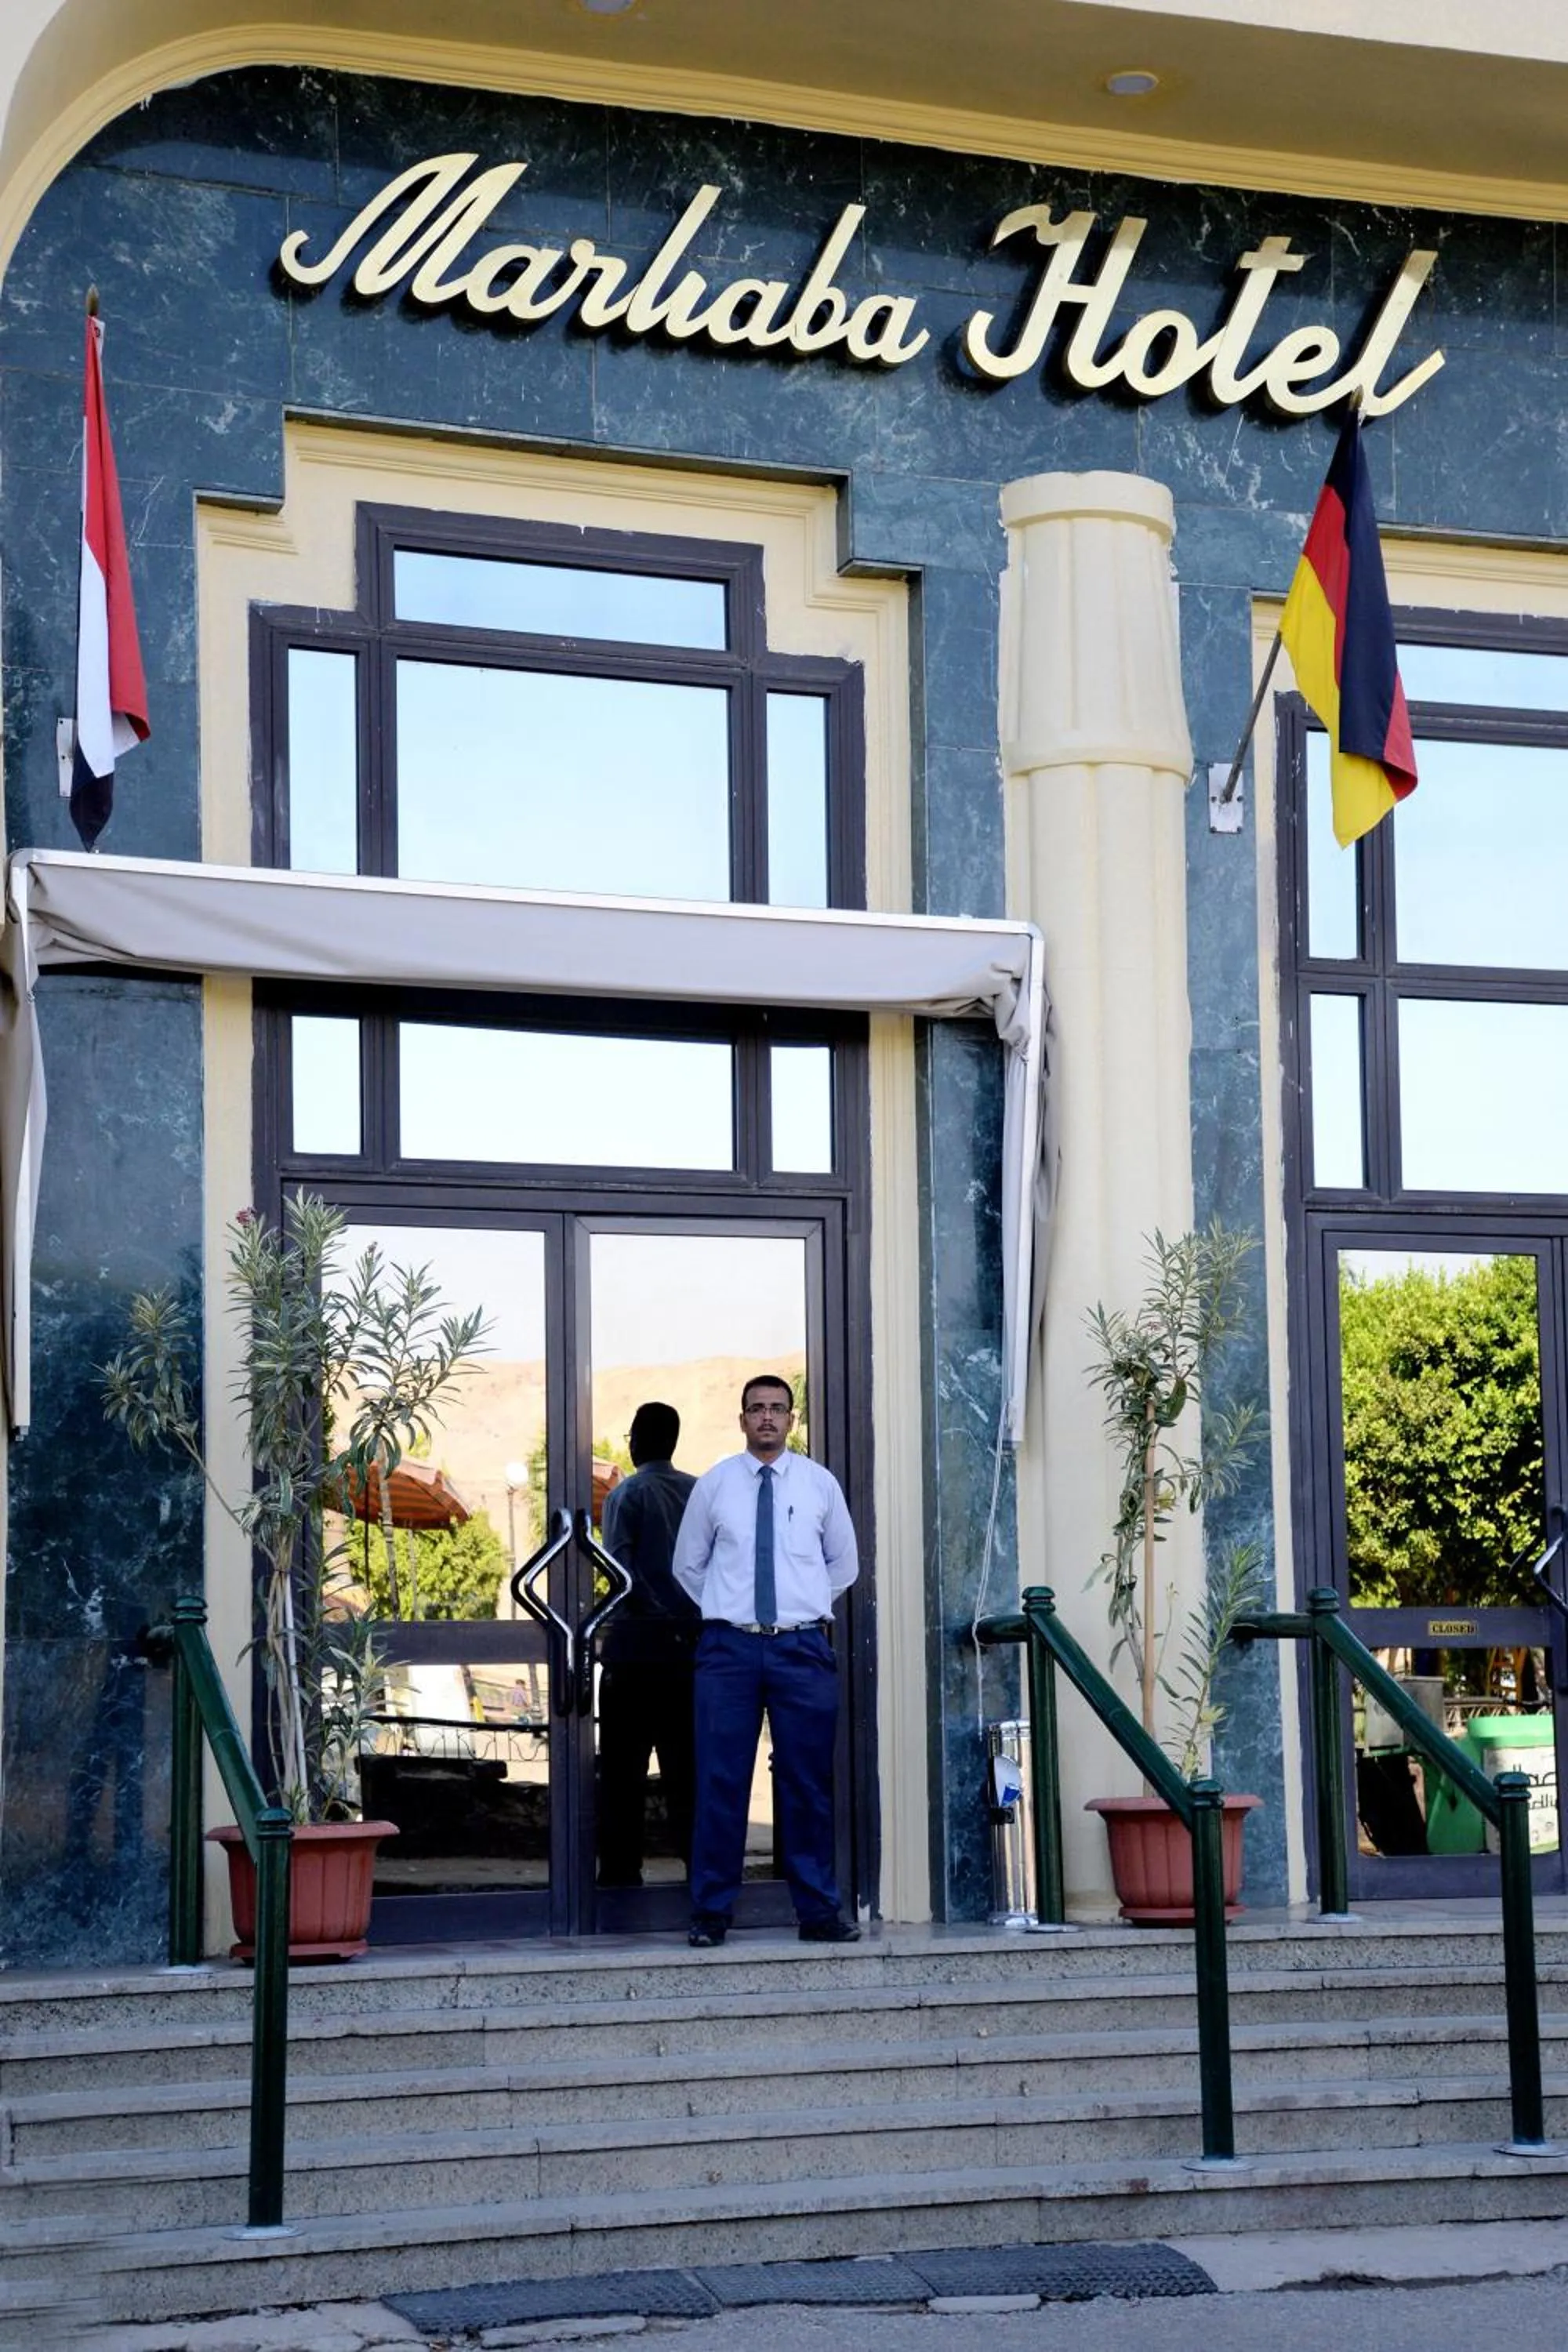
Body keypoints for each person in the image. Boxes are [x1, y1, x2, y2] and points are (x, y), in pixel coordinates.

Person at [673, 1373, 859, 1947]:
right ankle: (710, 1914)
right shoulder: (715, 1486)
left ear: (792, 1419)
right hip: (729, 1651)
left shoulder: (819, 1484)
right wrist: (731, 1610)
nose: (768, 1418)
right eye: (757, 1409)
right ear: (742, 1420)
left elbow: (843, 1565)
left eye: (778, 1409)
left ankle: (819, 1913)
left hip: (801, 1648)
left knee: (806, 1783)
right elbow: (688, 1565)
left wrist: (799, 1609)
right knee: (721, 1780)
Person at [597, 1401, 700, 1888]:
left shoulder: (626, 1495)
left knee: (622, 1775)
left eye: (631, 1435)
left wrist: (652, 1614)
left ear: (639, 1439)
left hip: (635, 1654)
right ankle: (700, 1870)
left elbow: (619, 1574)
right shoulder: (699, 1493)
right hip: (689, 1655)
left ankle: (620, 1874)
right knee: (689, 1774)